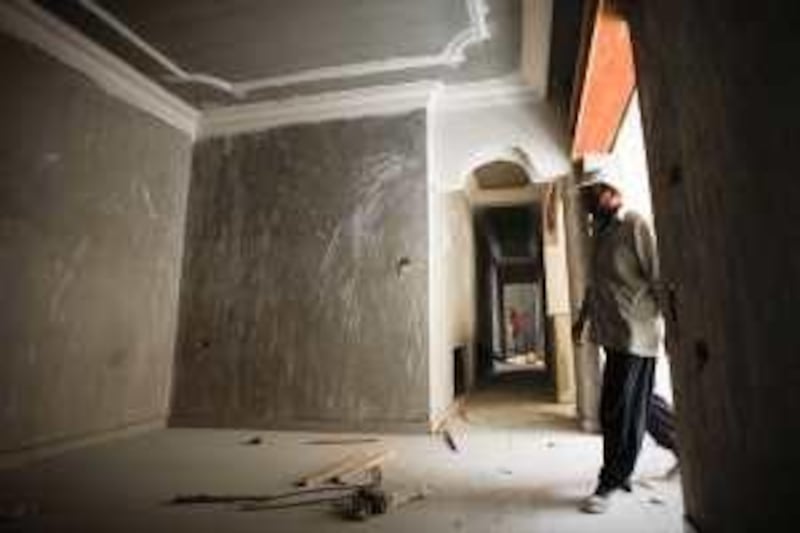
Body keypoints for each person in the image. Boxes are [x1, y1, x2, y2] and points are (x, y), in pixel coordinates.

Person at [572, 166, 678, 514]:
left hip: (636, 334)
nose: (587, 202)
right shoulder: (599, 234)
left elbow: (659, 276)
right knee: (639, 401)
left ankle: (611, 479)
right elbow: (595, 283)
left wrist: (673, 330)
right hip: (612, 333)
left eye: (592, 194)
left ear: (611, 192)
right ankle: (681, 444)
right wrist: (582, 318)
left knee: (616, 409)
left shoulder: (634, 225)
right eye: (585, 196)